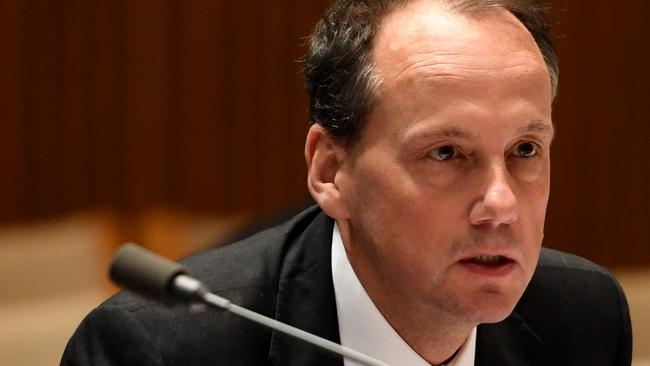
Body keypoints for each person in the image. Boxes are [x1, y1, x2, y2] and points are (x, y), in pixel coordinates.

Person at [61, 0, 632, 365]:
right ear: (330, 171)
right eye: (446, 153)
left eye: (525, 150)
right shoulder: (158, 351)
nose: (500, 205)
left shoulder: (580, 318)